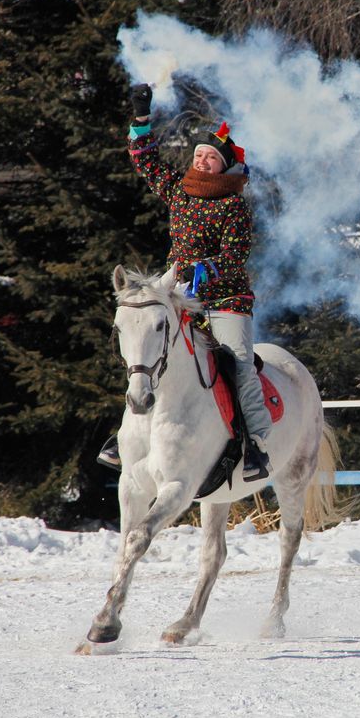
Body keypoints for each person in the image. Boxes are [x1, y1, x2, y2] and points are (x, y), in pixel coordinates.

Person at [98, 83, 271, 482]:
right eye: (199, 154)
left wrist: (202, 270)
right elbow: (145, 161)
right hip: (177, 292)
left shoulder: (233, 206)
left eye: (211, 157)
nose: (203, 160)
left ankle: (256, 444)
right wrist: (141, 117)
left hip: (225, 299)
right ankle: (124, 437)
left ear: (225, 166)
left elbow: (234, 257)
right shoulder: (180, 191)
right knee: (146, 350)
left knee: (240, 365)